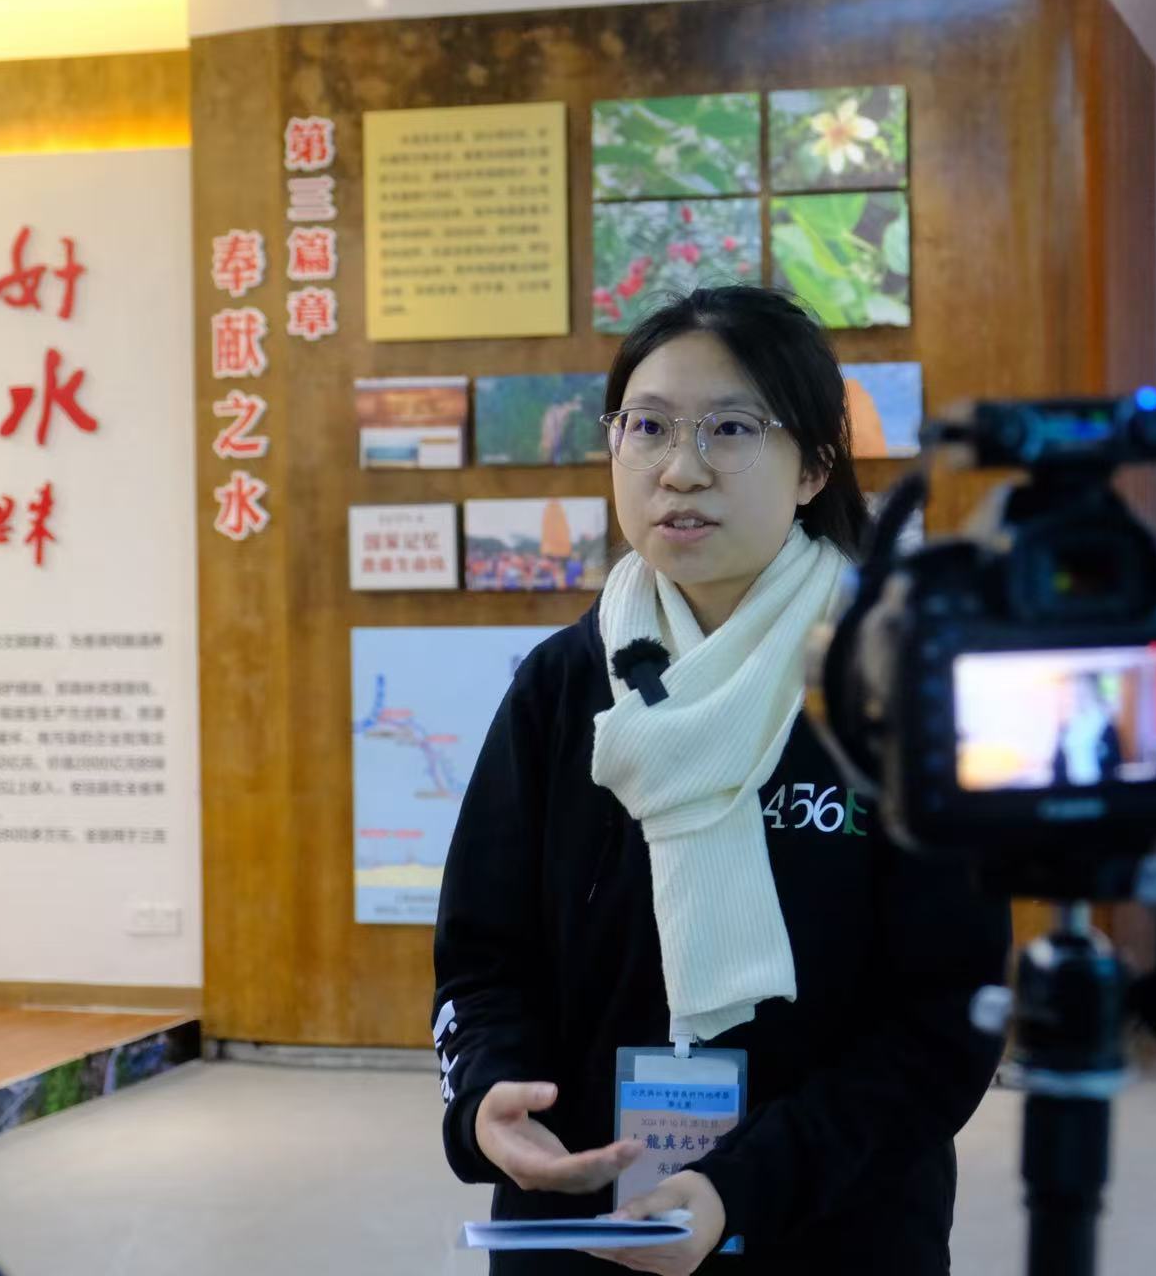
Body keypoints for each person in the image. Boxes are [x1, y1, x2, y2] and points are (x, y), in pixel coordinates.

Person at [432, 285, 1012, 1275]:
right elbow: (482, 958)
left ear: (814, 465)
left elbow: (945, 1020)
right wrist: (488, 1094)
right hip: (582, 1215)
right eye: (648, 426)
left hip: (833, 1230)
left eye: (732, 429)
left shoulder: (895, 689)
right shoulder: (563, 687)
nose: (681, 468)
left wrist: (742, 1184)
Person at [1052, 673, 1124, 786]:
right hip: (1071, 789)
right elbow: (1058, 764)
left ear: (1094, 692)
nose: (1080, 697)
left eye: (1084, 692)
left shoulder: (1105, 724)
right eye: (1076, 693)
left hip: (1100, 788)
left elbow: (1115, 762)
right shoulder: (1068, 726)